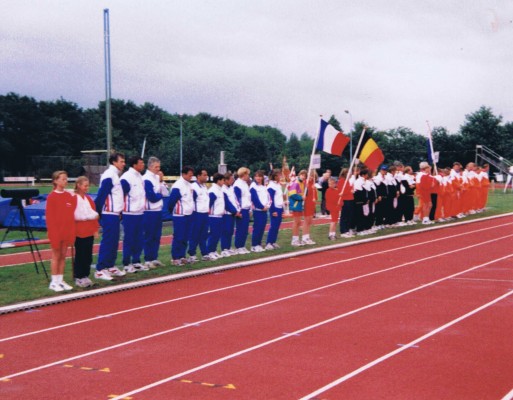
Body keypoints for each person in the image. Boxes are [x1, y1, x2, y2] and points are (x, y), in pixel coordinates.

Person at [94, 152, 127, 280]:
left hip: (115, 214)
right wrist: (98, 214)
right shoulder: (109, 175)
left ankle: (110, 266)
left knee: (114, 241)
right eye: (121, 161)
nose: (123, 164)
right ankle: (100, 269)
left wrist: (119, 212)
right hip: (108, 214)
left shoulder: (115, 176)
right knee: (108, 241)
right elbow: (102, 195)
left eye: (124, 161)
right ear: (114, 162)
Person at [46, 170, 77, 291]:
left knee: (64, 256)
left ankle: (60, 279)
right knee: (56, 256)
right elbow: (50, 218)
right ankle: (54, 282)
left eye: (66, 179)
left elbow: (71, 214)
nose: (65, 181)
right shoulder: (52, 197)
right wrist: (54, 234)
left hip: (67, 231)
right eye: (62, 179)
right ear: (55, 181)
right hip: (56, 232)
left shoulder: (69, 196)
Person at [120, 156, 148, 273]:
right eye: (141, 163)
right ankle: (126, 263)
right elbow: (121, 194)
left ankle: (136, 261)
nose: (143, 165)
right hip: (129, 213)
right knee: (129, 239)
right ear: (134, 165)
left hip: (140, 212)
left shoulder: (140, 177)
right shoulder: (126, 177)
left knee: (139, 238)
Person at [142, 156, 169, 269]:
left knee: (157, 236)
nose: (158, 169)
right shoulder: (146, 178)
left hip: (158, 210)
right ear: (150, 167)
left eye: (159, 166)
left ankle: (154, 257)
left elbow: (166, 193)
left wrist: (161, 181)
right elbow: (152, 197)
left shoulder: (156, 178)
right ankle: (148, 259)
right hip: (149, 211)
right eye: (156, 167)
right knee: (149, 235)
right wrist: (160, 195)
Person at [73, 176, 99, 288]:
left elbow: (94, 215)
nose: (87, 188)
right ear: (78, 185)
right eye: (85, 186)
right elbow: (75, 215)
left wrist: (95, 229)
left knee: (88, 255)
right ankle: (78, 276)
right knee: (80, 254)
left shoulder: (89, 199)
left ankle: (85, 275)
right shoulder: (74, 198)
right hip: (79, 231)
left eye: (88, 186)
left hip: (89, 231)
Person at [168, 165, 195, 266]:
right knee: (179, 236)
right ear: (183, 174)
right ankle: (175, 258)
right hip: (180, 215)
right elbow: (171, 202)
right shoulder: (177, 185)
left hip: (189, 214)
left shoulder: (190, 185)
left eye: (192, 176)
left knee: (185, 236)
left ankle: (182, 256)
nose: (190, 177)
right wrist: (174, 211)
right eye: (189, 175)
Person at [188, 168, 210, 262]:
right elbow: (191, 201)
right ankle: (192, 254)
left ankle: (204, 253)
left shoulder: (205, 187)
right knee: (195, 234)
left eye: (206, 175)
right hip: (197, 214)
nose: (206, 177)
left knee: (204, 235)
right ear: (198, 176)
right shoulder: (194, 187)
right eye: (204, 175)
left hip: (205, 214)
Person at [250, 170, 271, 252]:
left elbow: (269, 198)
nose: (258, 178)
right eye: (257, 176)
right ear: (254, 177)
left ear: (262, 177)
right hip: (258, 210)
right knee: (257, 227)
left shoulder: (264, 187)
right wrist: (261, 207)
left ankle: (259, 243)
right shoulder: (253, 186)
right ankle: (254, 245)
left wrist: (267, 206)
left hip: (264, 210)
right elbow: (254, 199)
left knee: (262, 227)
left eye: (260, 176)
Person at [221, 172, 241, 257]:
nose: (232, 181)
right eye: (231, 179)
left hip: (232, 213)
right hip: (226, 213)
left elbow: (235, 200)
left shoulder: (231, 188)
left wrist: (238, 209)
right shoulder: (223, 189)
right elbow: (226, 203)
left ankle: (228, 247)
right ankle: (224, 249)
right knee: (226, 231)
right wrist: (234, 211)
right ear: (225, 180)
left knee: (230, 231)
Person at [233, 167, 252, 254]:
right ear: (243, 174)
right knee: (240, 228)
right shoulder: (237, 184)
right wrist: (239, 210)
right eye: (247, 174)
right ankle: (238, 246)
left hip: (246, 208)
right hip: (241, 209)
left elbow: (248, 197)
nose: (248, 176)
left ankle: (242, 245)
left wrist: (250, 209)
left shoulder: (245, 184)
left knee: (245, 229)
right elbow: (237, 198)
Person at [207, 173, 225, 258]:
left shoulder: (220, 190)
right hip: (213, 216)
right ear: (218, 181)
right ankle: (210, 251)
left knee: (217, 234)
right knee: (213, 234)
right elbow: (209, 203)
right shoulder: (213, 190)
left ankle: (213, 250)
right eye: (222, 180)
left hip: (219, 215)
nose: (224, 182)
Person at [265, 169, 284, 250]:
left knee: (277, 226)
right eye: (279, 175)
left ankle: (273, 241)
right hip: (275, 208)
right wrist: (273, 210)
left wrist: (282, 208)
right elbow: (271, 199)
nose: (281, 176)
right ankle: (268, 243)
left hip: (279, 207)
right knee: (273, 226)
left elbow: (280, 197)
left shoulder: (277, 185)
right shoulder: (271, 186)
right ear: (275, 176)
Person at [288, 168, 305, 246]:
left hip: (299, 204)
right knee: (296, 222)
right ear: (299, 175)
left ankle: (297, 239)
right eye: (302, 175)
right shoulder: (296, 183)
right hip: (295, 204)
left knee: (298, 222)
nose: (303, 177)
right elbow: (292, 194)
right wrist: (301, 198)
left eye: (305, 176)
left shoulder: (302, 183)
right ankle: (294, 240)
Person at [301, 170, 318, 245]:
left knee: (310, 221)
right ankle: (304, 238)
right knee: (306, 221)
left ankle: (307, 237)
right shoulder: (305, 183)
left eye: (313, 176)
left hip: (312, 204)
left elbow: (315, 196)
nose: (311, 177)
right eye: (310, 175)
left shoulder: (313, 184)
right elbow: (303, 194)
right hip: (307, 204)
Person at [338, 168, 355, 238]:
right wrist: (350, 190)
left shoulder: (346, 181)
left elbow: (348, 188)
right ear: (344, 174)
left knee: (349, 215)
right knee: (344, 216)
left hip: (350, 199)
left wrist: (351, 188)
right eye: (348, 173)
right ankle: (343, 231)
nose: (350, 174)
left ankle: (347, 230)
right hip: (345, 200)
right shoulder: (341, 181)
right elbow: (341, 191)